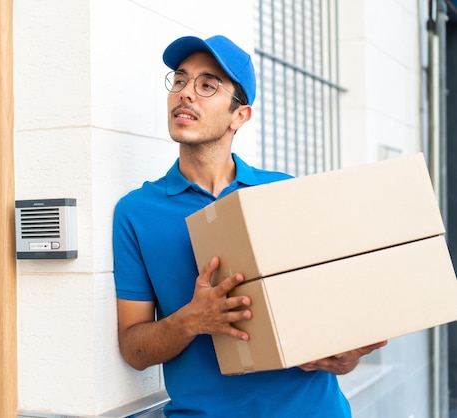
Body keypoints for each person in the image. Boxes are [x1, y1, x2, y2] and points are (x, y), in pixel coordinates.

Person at [112, 34, 387, 417]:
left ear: (240, 115)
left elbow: (332, 319)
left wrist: (344, 357)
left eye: (207, 85)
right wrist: (193, 320)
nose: (186, 93)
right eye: (179, 80)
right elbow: (133, 348)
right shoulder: (136, 212)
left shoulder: (282, 192)